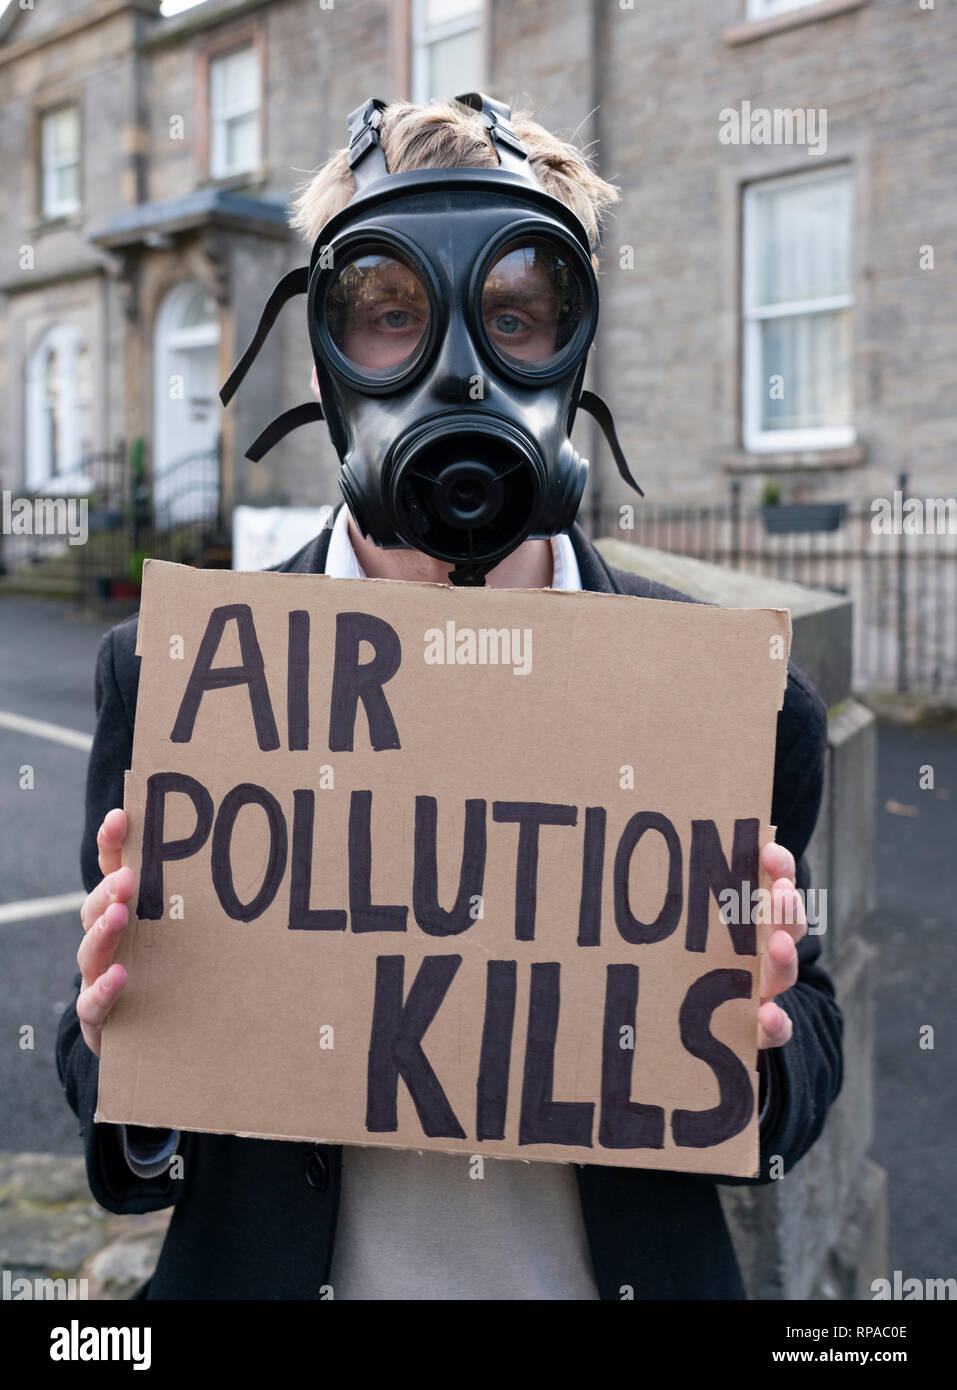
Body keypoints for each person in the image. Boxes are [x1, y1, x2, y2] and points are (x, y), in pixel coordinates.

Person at [56, 95, 843, 1301]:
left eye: (516, 314)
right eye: (390, 315)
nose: (462, 373)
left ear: (573, 343)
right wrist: (125, 1051)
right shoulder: (176, 682)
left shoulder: (733, 707)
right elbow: (118, 1098)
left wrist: (764, 1043)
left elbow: (811, 1043)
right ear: (322, 349)